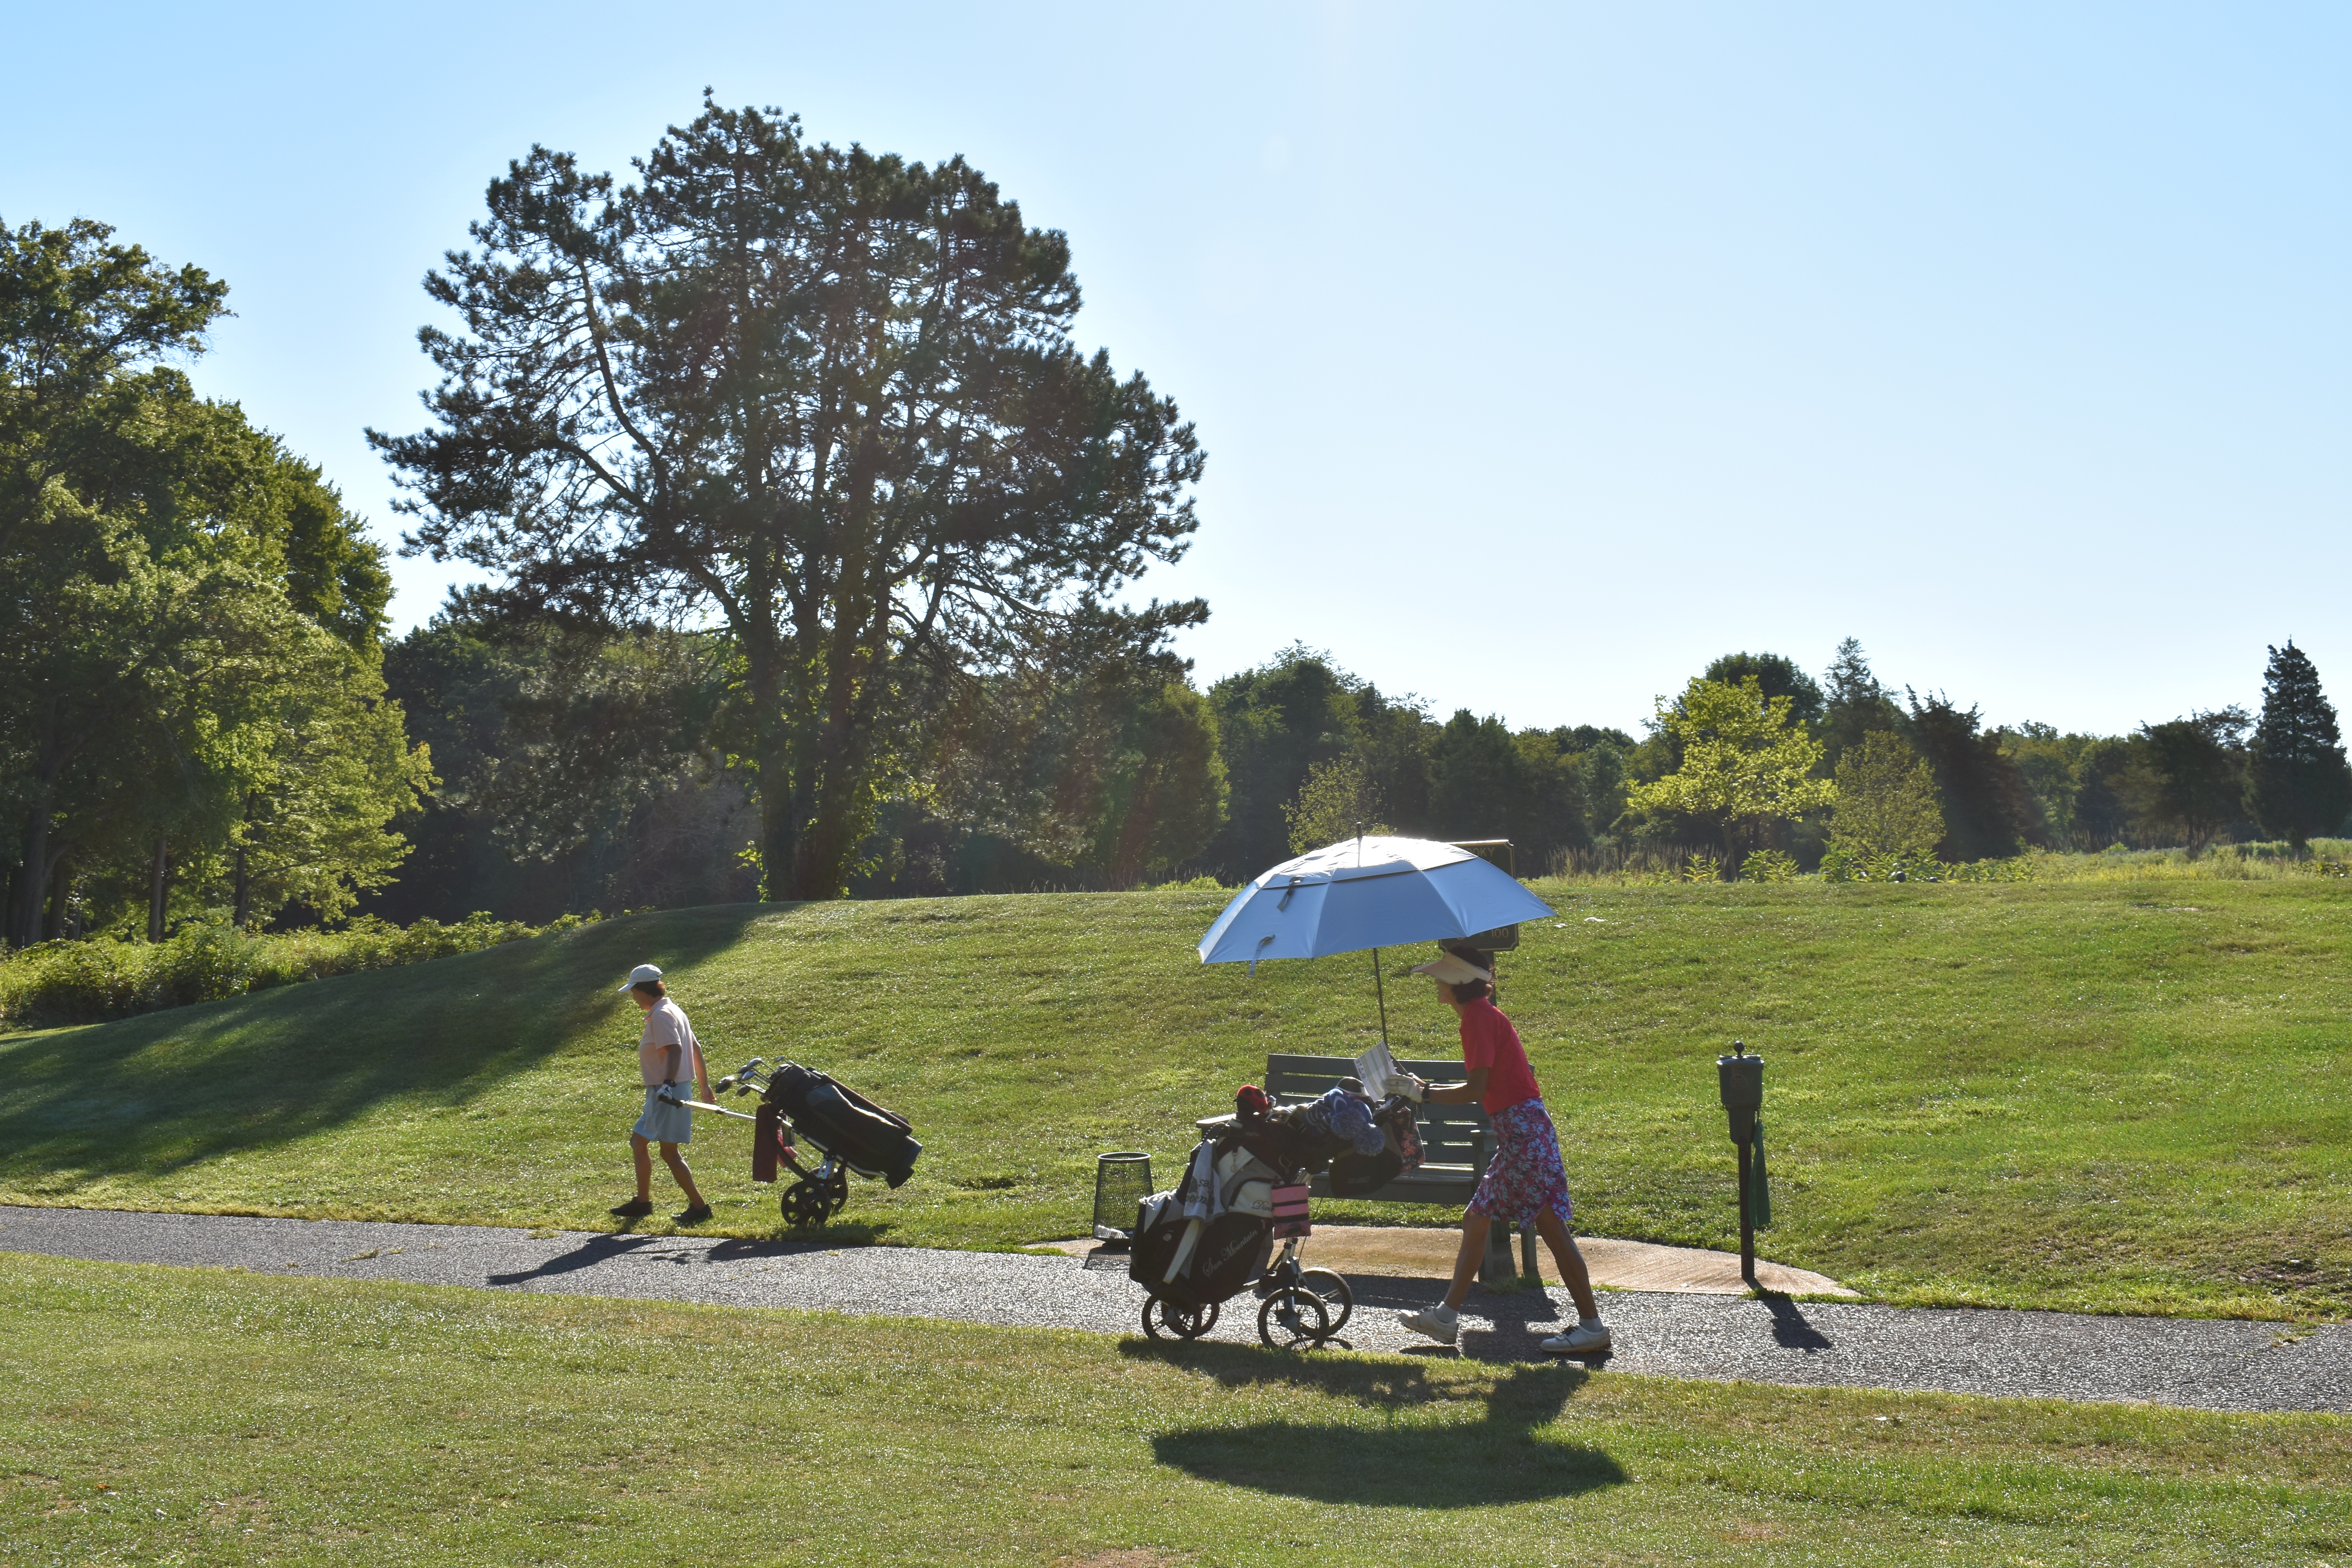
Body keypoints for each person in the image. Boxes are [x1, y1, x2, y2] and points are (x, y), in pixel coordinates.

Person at [1396, 949, 1612, 1355]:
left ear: (1457, 983)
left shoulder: (1477, 1017)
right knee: (1477, 1218)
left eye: (1440, 978)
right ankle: (1445, 1318)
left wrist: (1423, 1094)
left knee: (1551, 1229)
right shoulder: (1480, 1014)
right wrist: (1423, 1089)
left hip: (1523, 1136)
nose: (1436, 984)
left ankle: (1592, 1326)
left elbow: (1477, 1090)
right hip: (1521, 1135)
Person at [610, 964, 714, 1224]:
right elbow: (696, 1047)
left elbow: (677, 1049)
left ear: (643, 990)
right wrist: (704, 1086)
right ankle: (643, 1202)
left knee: (669, 1153)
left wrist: (668, 1084)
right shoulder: (673, 1010)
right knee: (638, 1143)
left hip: (668, 1092)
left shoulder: (661, 1015)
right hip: (665, 1090)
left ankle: (700, 1208)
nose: (633, 998)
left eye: (634, 992)